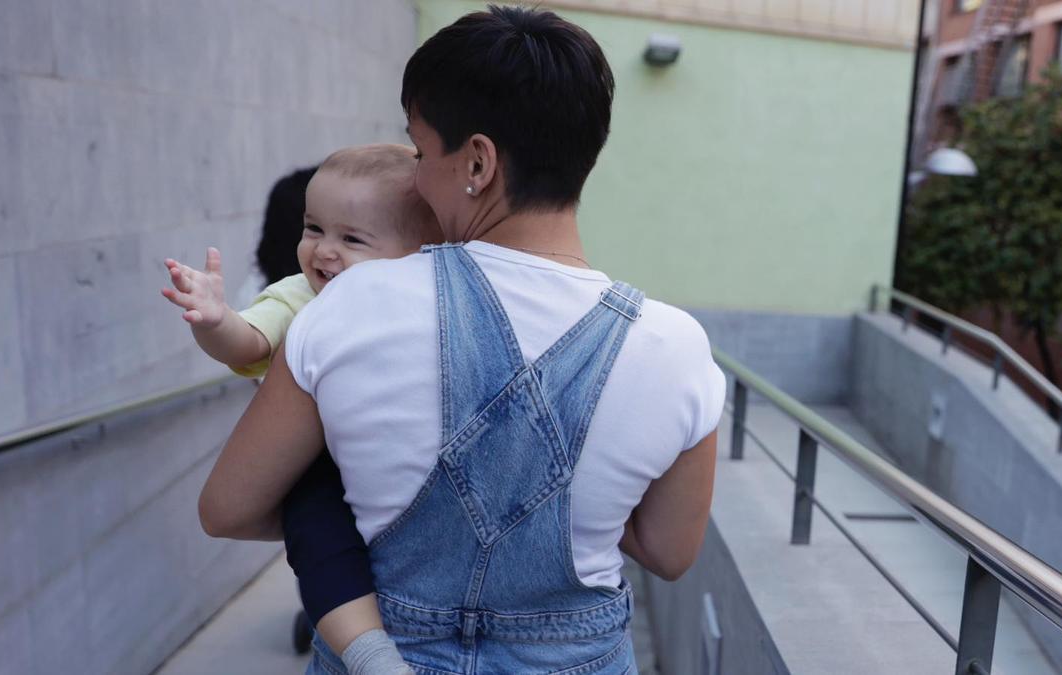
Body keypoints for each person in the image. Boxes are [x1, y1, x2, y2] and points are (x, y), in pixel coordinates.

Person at [198, 6, 725, 674]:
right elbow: (671, 551)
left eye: (421, 152)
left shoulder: (352, 304)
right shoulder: (676, 347)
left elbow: (228, 506)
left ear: (477, 160)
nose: (415, 177)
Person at [164, 144, 440, 674]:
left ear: (417, 251)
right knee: (316, 530)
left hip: (408, 458)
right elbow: (249, 343)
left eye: (352, 238)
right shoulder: (301, 297)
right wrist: (215, 320)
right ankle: (368, 654)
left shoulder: (427, 297)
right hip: (324, 459)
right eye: (314, 229)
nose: (324, 251)